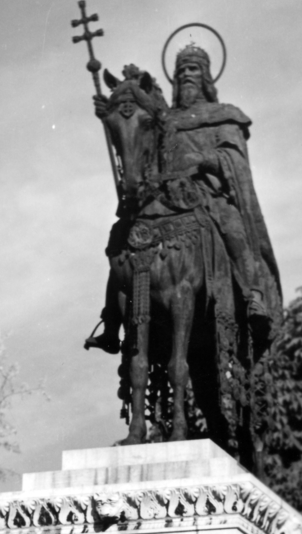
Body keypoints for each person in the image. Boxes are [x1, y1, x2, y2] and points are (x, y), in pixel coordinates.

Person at [86, 44, 282, 355]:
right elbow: (140, 131)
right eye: (181, 72)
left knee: (232, 226)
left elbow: (235, 161)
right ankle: (111, 323)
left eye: (192, 70)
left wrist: (204, 159)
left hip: (209, 194)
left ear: (205, 76)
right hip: (168, 197)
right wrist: (114, 107)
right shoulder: (167, 118)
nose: (186, 76)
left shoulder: (224, 115)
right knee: (123, 236)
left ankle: (253, 298)